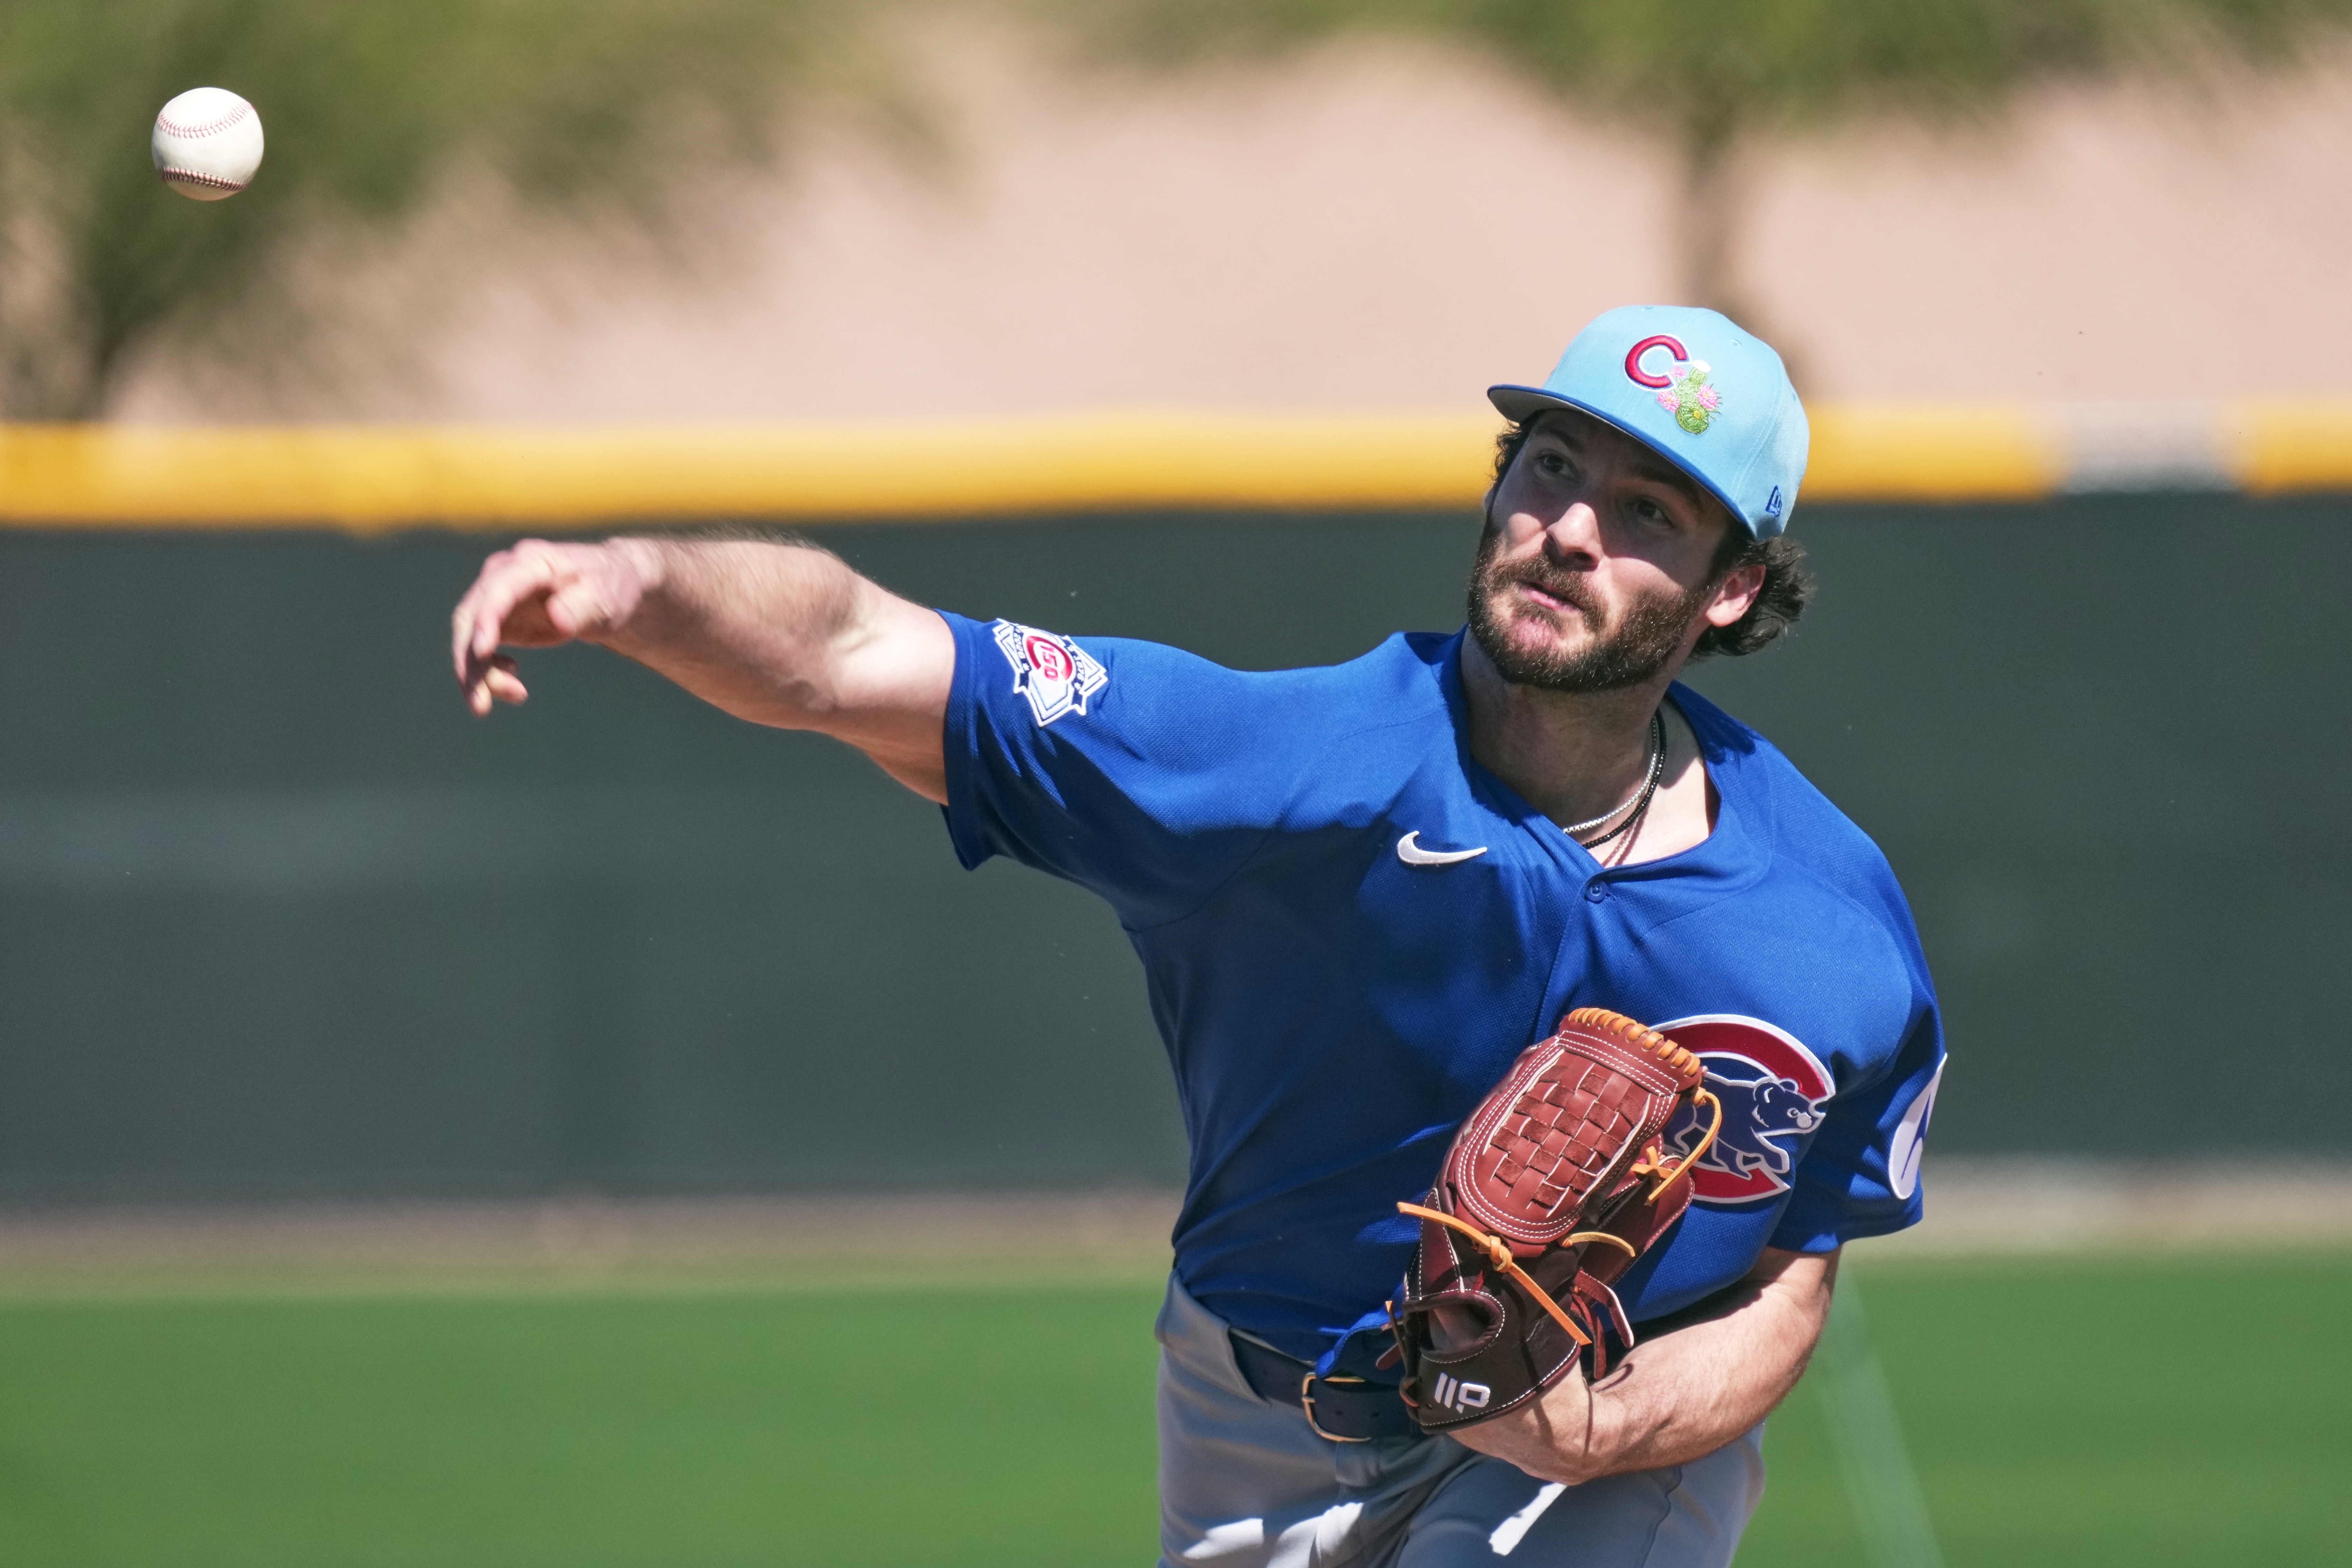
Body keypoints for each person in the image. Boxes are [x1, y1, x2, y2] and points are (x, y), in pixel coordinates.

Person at [450, 305, 1946, 1568]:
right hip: (1257, 1416)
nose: (1566, 532)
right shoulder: (1287, 764)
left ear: (1729, 586)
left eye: (1647, 512)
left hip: (1595, 1447)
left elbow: (1785, 1286)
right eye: (1550, 469)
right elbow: (860, 650)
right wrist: (639, 585)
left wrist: (1597, 1424)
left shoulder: (1821, 934)